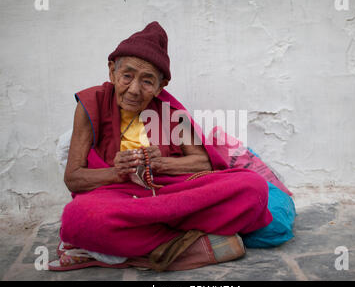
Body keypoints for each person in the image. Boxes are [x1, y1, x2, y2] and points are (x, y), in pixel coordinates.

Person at [48, 21, 272, 272]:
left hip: (172, 195)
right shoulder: (92, 103)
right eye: (127, 76)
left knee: (253, 188)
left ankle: (130, 247)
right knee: (77, 218)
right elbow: (74, 178)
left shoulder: (170, 111)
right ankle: (181, 245)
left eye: (147, 81)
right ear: (112, 71)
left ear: (160, 86)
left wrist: (161, 163)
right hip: (120, 197)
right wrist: (116, 171)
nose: (134, 89)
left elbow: (202, 163)